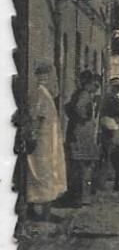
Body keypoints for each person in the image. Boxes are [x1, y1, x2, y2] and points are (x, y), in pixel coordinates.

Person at [24, 62, 67, 220]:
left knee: (47, 173)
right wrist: (33, 137)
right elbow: (36, 118)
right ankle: (43, 213)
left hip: (49, 141)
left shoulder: (45, 94)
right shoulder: (41, 93)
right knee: (42, 174)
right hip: (42, 143)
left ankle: (44, 211)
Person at [65, 70, 99, 206]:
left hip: (81, 132)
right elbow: (79, 109)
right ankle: (79, 197)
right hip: (81, 133)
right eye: (92, 84)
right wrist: (84, 119)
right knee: (82, 165)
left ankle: (80, 196)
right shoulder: (84, 95)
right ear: (88, 83)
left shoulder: (82, 94)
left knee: (80, 165)